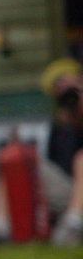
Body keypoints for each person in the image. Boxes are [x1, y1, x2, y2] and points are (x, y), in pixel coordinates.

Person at [39, 57, 83, 246]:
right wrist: (72, 123)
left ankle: (73, 225)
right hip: (71, 190)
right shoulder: (63, 126)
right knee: (24, 162)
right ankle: (6, 227)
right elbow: (61, 163)